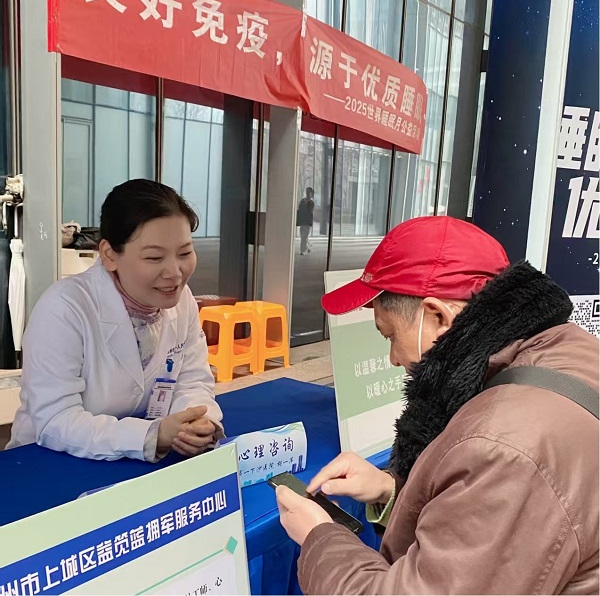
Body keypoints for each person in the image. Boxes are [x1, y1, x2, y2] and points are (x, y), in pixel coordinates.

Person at [276, 216, 599, 594]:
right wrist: (392, 491)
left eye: (389, 335)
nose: (394, 359)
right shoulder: (567, 350)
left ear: (438, 317)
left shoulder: (502, 447)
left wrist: (320, 537)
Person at [8, 179, 224, 462]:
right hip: (50, 463)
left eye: (184, 253)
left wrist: (194, 421)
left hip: (135, 462)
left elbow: (192, 380)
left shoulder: (181, 301)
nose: (175, 272)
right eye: (154, 257)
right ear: (110, 255)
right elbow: (55, 420)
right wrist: (150, 436)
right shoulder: (64, 309)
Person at [297, 187, 315, 255]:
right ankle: (307, 248)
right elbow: (299, 208)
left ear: (311, 193)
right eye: (307, 192)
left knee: (304, 236)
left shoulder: (311, 202)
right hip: (302, 221)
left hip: (307, 221)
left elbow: (310, 211)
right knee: (303, 235)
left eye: (309, 192)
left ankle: (303, 250)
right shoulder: (302, 201)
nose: (307, 193)